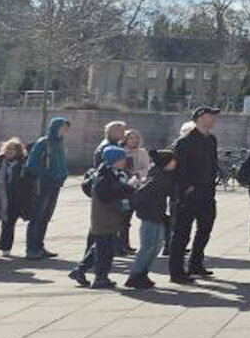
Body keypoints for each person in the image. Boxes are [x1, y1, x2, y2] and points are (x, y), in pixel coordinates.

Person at [169, 107, 222, 282]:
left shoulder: (211, 139)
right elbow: (178, 168)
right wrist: (187, 187)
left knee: (205, 228)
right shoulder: (185, 141)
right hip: (190, 193)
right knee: (182, 233)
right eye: (209, 116)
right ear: (199, 118)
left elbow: (213, 163)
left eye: (213, 116)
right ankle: (177, 272)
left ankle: (196, 264)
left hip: (207, 191)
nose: (213, 119)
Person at [69, 146, 130, 288]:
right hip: (104, 218)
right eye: (121, 159)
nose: (124, 161)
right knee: (105, 251)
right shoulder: (105, 176)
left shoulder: (112, 173)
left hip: (107, 217)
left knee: (101, 247)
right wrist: (125, 193)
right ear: (113, 160)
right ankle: (100, 278)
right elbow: (106, 196)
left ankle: (80, 270)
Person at [126, 149, 178, 289]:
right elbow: (140, 196)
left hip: (158, 214)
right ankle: (135, 275)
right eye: (173, 160)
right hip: (150, 215)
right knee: (148, 246)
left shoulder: (163, 175)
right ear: (166, 162)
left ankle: (143, 273)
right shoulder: (156, 177)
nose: (175, 163)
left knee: (156, 246)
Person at [24, 116, 70, 260]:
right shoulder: (43, 143)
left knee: (45, 218)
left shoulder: (60, 144)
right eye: (63, 127)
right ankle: (31, 249)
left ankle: (40, 247)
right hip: (43, 185)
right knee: (37, 217)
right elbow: (31, 165)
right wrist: (48, 174)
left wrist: (63, 175)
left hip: (56, 185)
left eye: (66, 128)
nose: (65, 131)